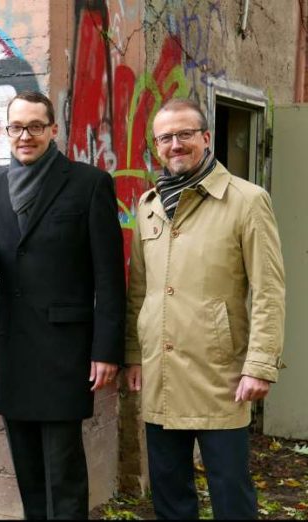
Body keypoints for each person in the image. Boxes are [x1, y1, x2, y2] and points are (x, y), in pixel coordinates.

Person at [0, 91, 126, 519]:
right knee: (29, 472)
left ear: (53, 130)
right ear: (8, 132)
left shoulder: (89, 183)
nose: (25, 136)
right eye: (17, 127)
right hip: (13, 345)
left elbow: (109, 277)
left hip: (63, 350)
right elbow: (4, 259)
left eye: (36, 126)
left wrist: (106, 350)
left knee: (64, 473)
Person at [125, 98, 286, 519]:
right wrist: (132, 355)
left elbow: (269, 290)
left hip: (222, 375)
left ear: (205, 138)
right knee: (169, 493)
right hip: (161, 369)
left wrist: (260, 364)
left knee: (230, 494)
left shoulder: (247, 200)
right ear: (156, 146)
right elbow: (139, 291)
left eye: (185, 134)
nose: (175, 144)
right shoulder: (149, 206)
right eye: (166, 138)